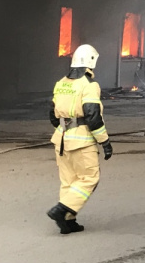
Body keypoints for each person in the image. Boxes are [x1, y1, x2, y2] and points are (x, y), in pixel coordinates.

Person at [47, 44, 113, 233]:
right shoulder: (89, 85)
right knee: (89, 178)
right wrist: (104, 142)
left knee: (69, 181)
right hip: (82, 142)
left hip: (61, 140)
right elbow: (92, 116)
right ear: (91, 62)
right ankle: (62, 209)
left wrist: (64, 130)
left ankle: (68, 222)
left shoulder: (61, 83)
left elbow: (52, 114)